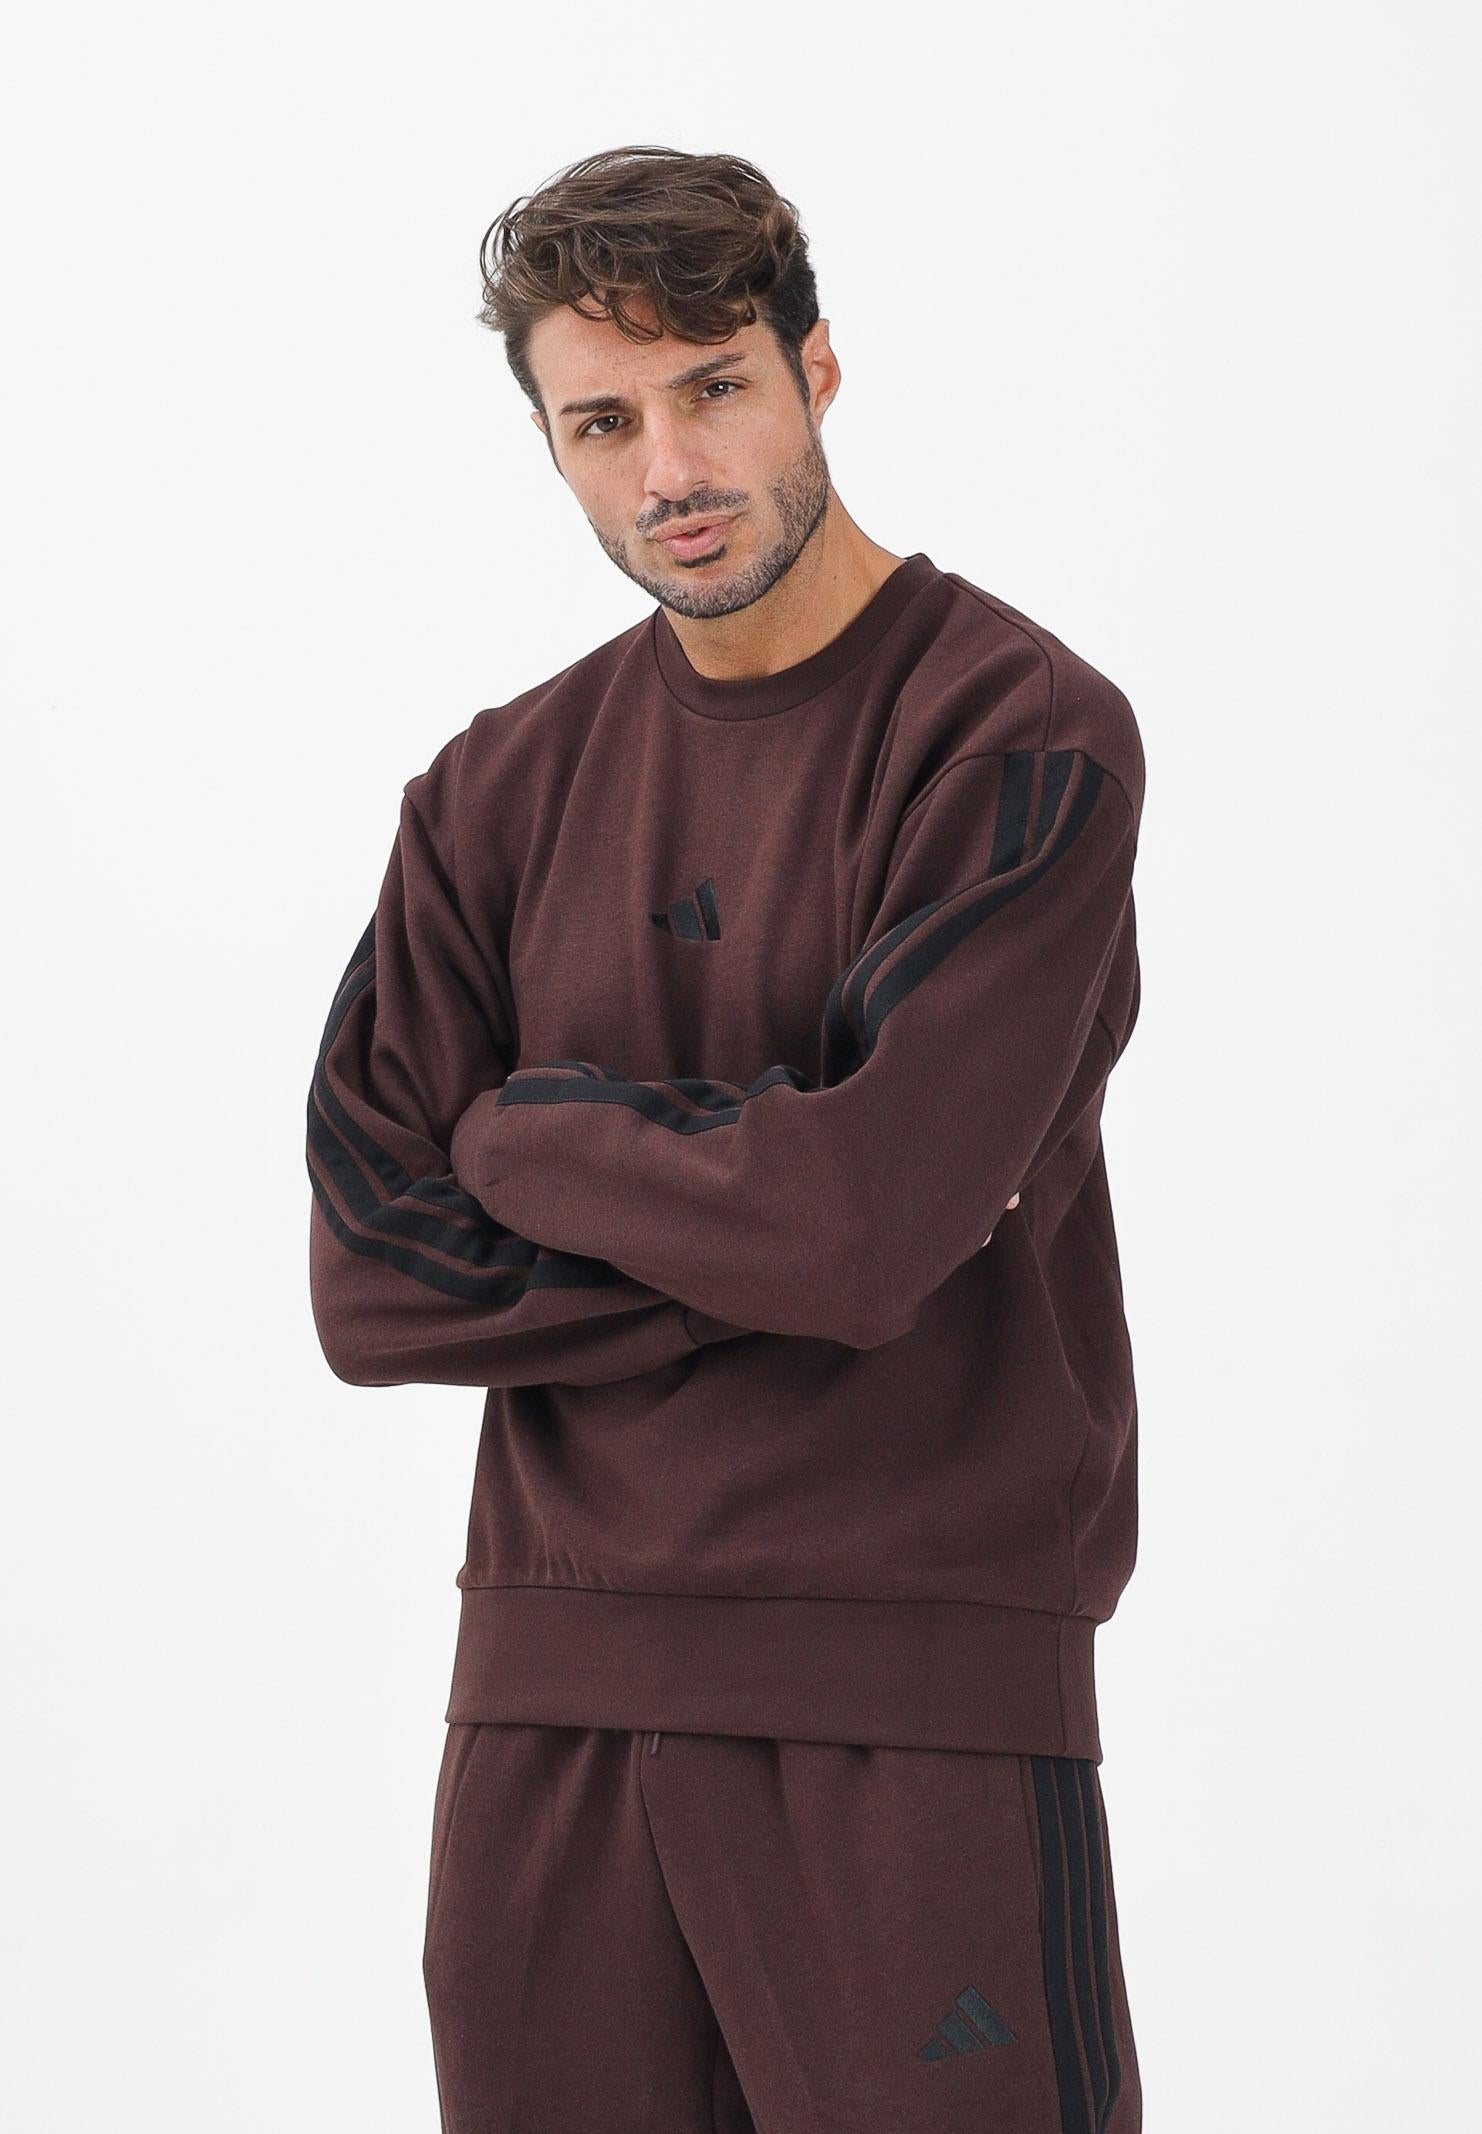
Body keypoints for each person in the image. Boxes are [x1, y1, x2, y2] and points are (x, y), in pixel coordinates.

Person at [306, 142, 1146, 2134]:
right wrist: (751, 1235)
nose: (671, 468)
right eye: (603, 422)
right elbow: (369, 1280)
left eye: (714, 388)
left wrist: (529, 1130)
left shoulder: (1014, 732)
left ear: (815, 369)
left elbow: (864, 1226)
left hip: (909, 1684)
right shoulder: (490, 794)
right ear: (550, 444)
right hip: (547, 1693)